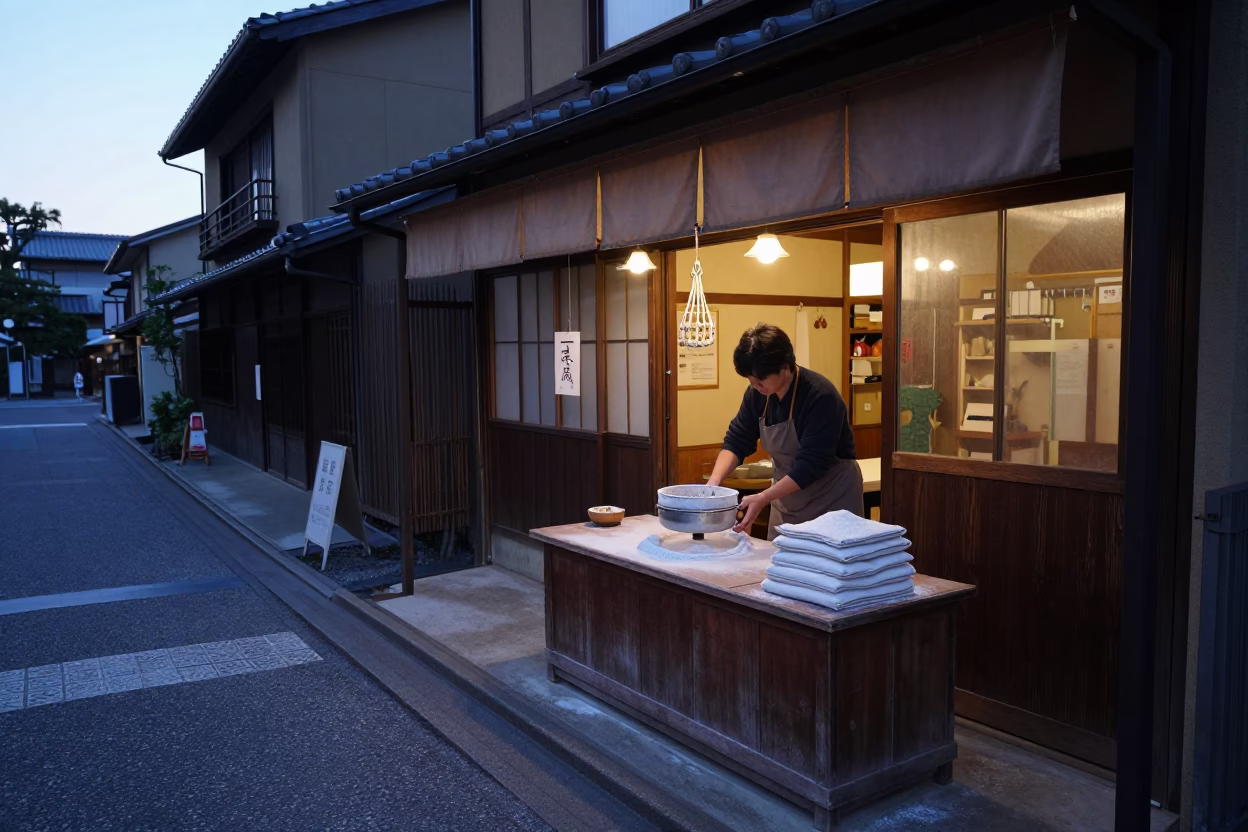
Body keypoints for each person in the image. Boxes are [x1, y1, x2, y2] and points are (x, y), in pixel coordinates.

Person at [707, 323, 863, 539]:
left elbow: (811, 465)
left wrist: (763, 497)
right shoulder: (758, 394)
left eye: (760, 380)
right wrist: (712, 485)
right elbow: (738, 438)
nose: (755, 386)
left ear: (785, 368)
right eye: (750, 380)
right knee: (782, 566)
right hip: (786, 501)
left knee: (829, 568)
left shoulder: (820, 396)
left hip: (831, 502)